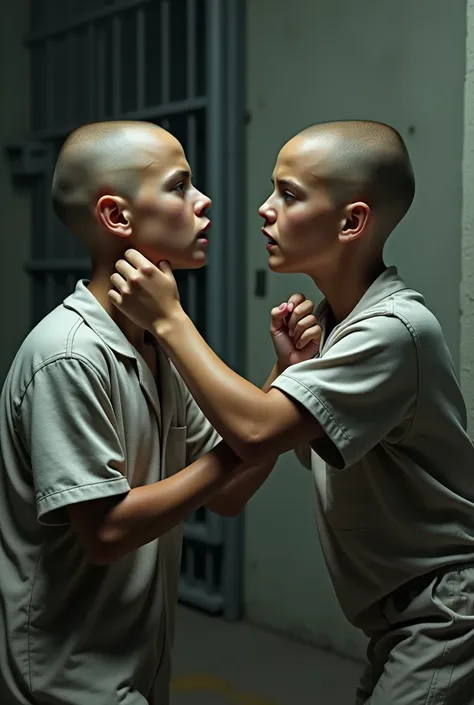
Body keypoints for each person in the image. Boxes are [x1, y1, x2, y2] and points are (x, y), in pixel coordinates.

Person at [109, 120, 474, 705]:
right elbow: (257, 461)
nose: (264, 208)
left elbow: (255, 431)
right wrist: (293, 373)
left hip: (445, 608)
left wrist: (169, 319)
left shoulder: (392, 330)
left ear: (352, 221)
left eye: (289, 194)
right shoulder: (339, 328)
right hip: (400, 618)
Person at [0, 120, 321, 705]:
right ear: (117, 218)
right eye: (179, 186)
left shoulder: (156, 341)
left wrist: (285, 379)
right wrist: (257, 433)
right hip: (68, 682)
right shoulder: (68, 356)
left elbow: (226, 495)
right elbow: (106, 532)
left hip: (139, 667)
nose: (203, 202)